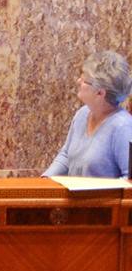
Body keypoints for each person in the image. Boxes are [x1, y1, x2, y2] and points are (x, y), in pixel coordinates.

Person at [44, 50, 132, 179]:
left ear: (100, 93)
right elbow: (65, 156)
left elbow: (129, 180)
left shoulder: (123, 127)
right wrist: (45, 181)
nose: (79, 80)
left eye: (85, 80)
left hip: (100, 199)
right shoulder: (82, 114)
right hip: (74, 198)